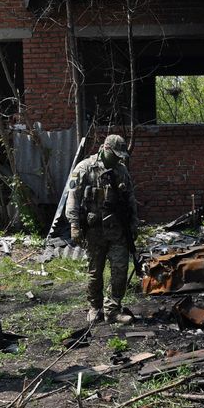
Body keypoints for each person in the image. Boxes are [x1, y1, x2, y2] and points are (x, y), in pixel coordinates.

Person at [68, 134, 138, 324]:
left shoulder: (121, 171)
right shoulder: (85, 168)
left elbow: (130, 199)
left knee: (120, 269)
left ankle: (113, 310)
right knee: (95, 272)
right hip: (94, 231)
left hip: (117, 230)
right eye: (115, 154)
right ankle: (95, 307)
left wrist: (133, 224)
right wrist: (74, 224)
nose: (118, 158)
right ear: (105, 149)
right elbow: (73, 197)